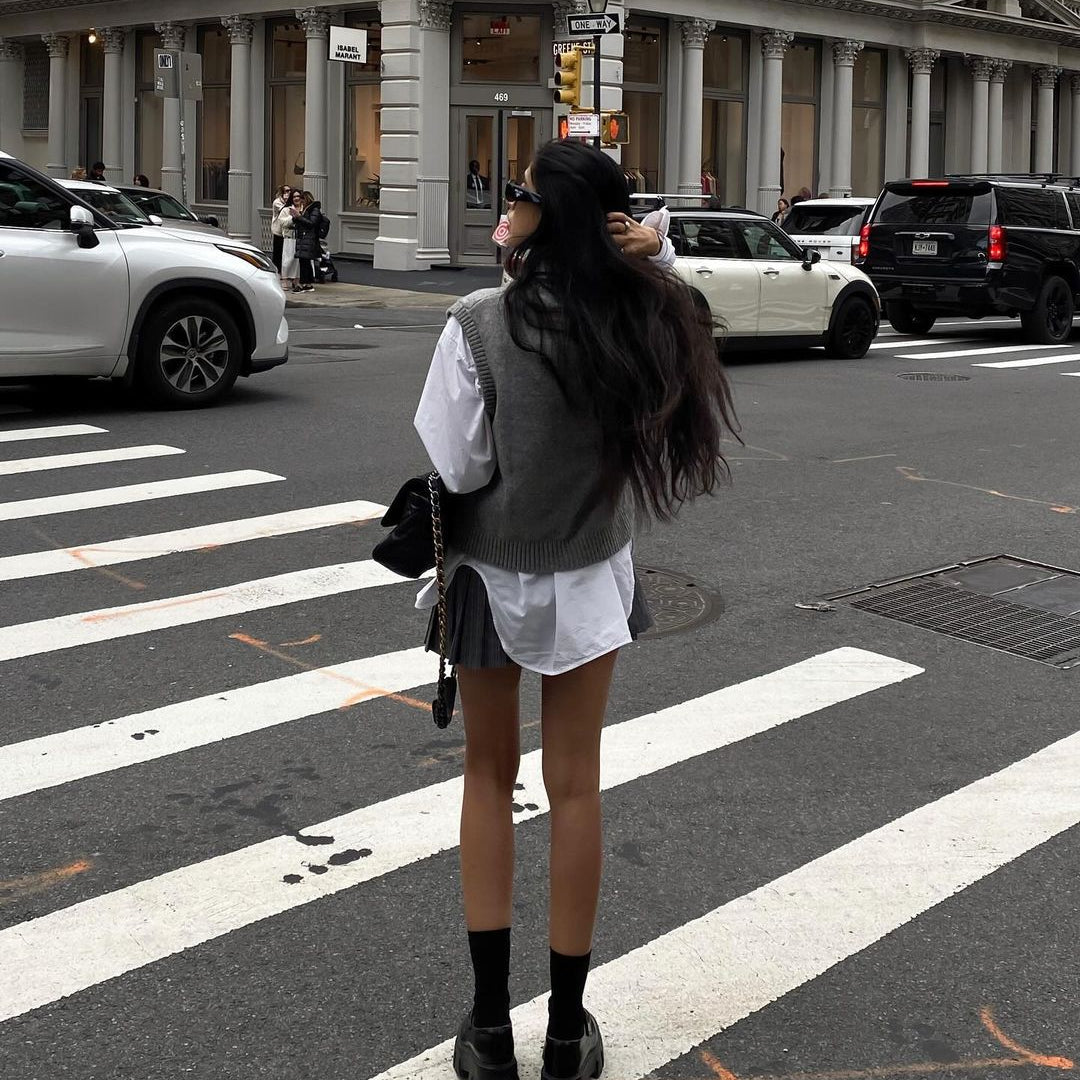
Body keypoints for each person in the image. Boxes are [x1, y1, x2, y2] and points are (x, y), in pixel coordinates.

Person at [412, 141, 738, 1080]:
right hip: (592, 577)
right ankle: (565, 1033)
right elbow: (693, 329)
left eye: (518, 194)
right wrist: (658, 259)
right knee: (578, 789)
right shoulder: (643, 320)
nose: (505, 205)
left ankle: (485, 1029)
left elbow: (462, 467)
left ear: (546, 214)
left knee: (485, 776)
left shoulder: (476, 322)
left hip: (489, 576)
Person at [294, 191, 325, 293]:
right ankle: (308, 283)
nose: (301, 202)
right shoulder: (306, 209)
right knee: (305, 261)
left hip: (309, 238)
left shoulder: (314, 210)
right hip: (304, 238)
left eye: (302, 199)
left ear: (305, 199)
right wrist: (296, 218)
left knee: (304, 261)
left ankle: (303, 283)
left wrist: (299, 217)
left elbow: (311, 223)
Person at [277, 189, 304, 291]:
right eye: (294, 197)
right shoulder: (286, 210)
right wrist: (292, 218)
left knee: (298, 261)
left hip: (301, 237)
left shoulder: (304, 209)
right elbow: (282, 223)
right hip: (290, 237)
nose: (296, 198)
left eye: (298, 196)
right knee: (288, 259)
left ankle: (296, 280)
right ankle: (284, 279)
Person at [270, 184, 292, 273]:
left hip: (286, 230)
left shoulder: (289, 201)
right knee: (278, 251)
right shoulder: (277, 202)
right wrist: (288, 201)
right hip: (278, 229)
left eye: (289, 190)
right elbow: (284, 210)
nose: (288, 193)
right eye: (286, 191)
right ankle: (276, 268)